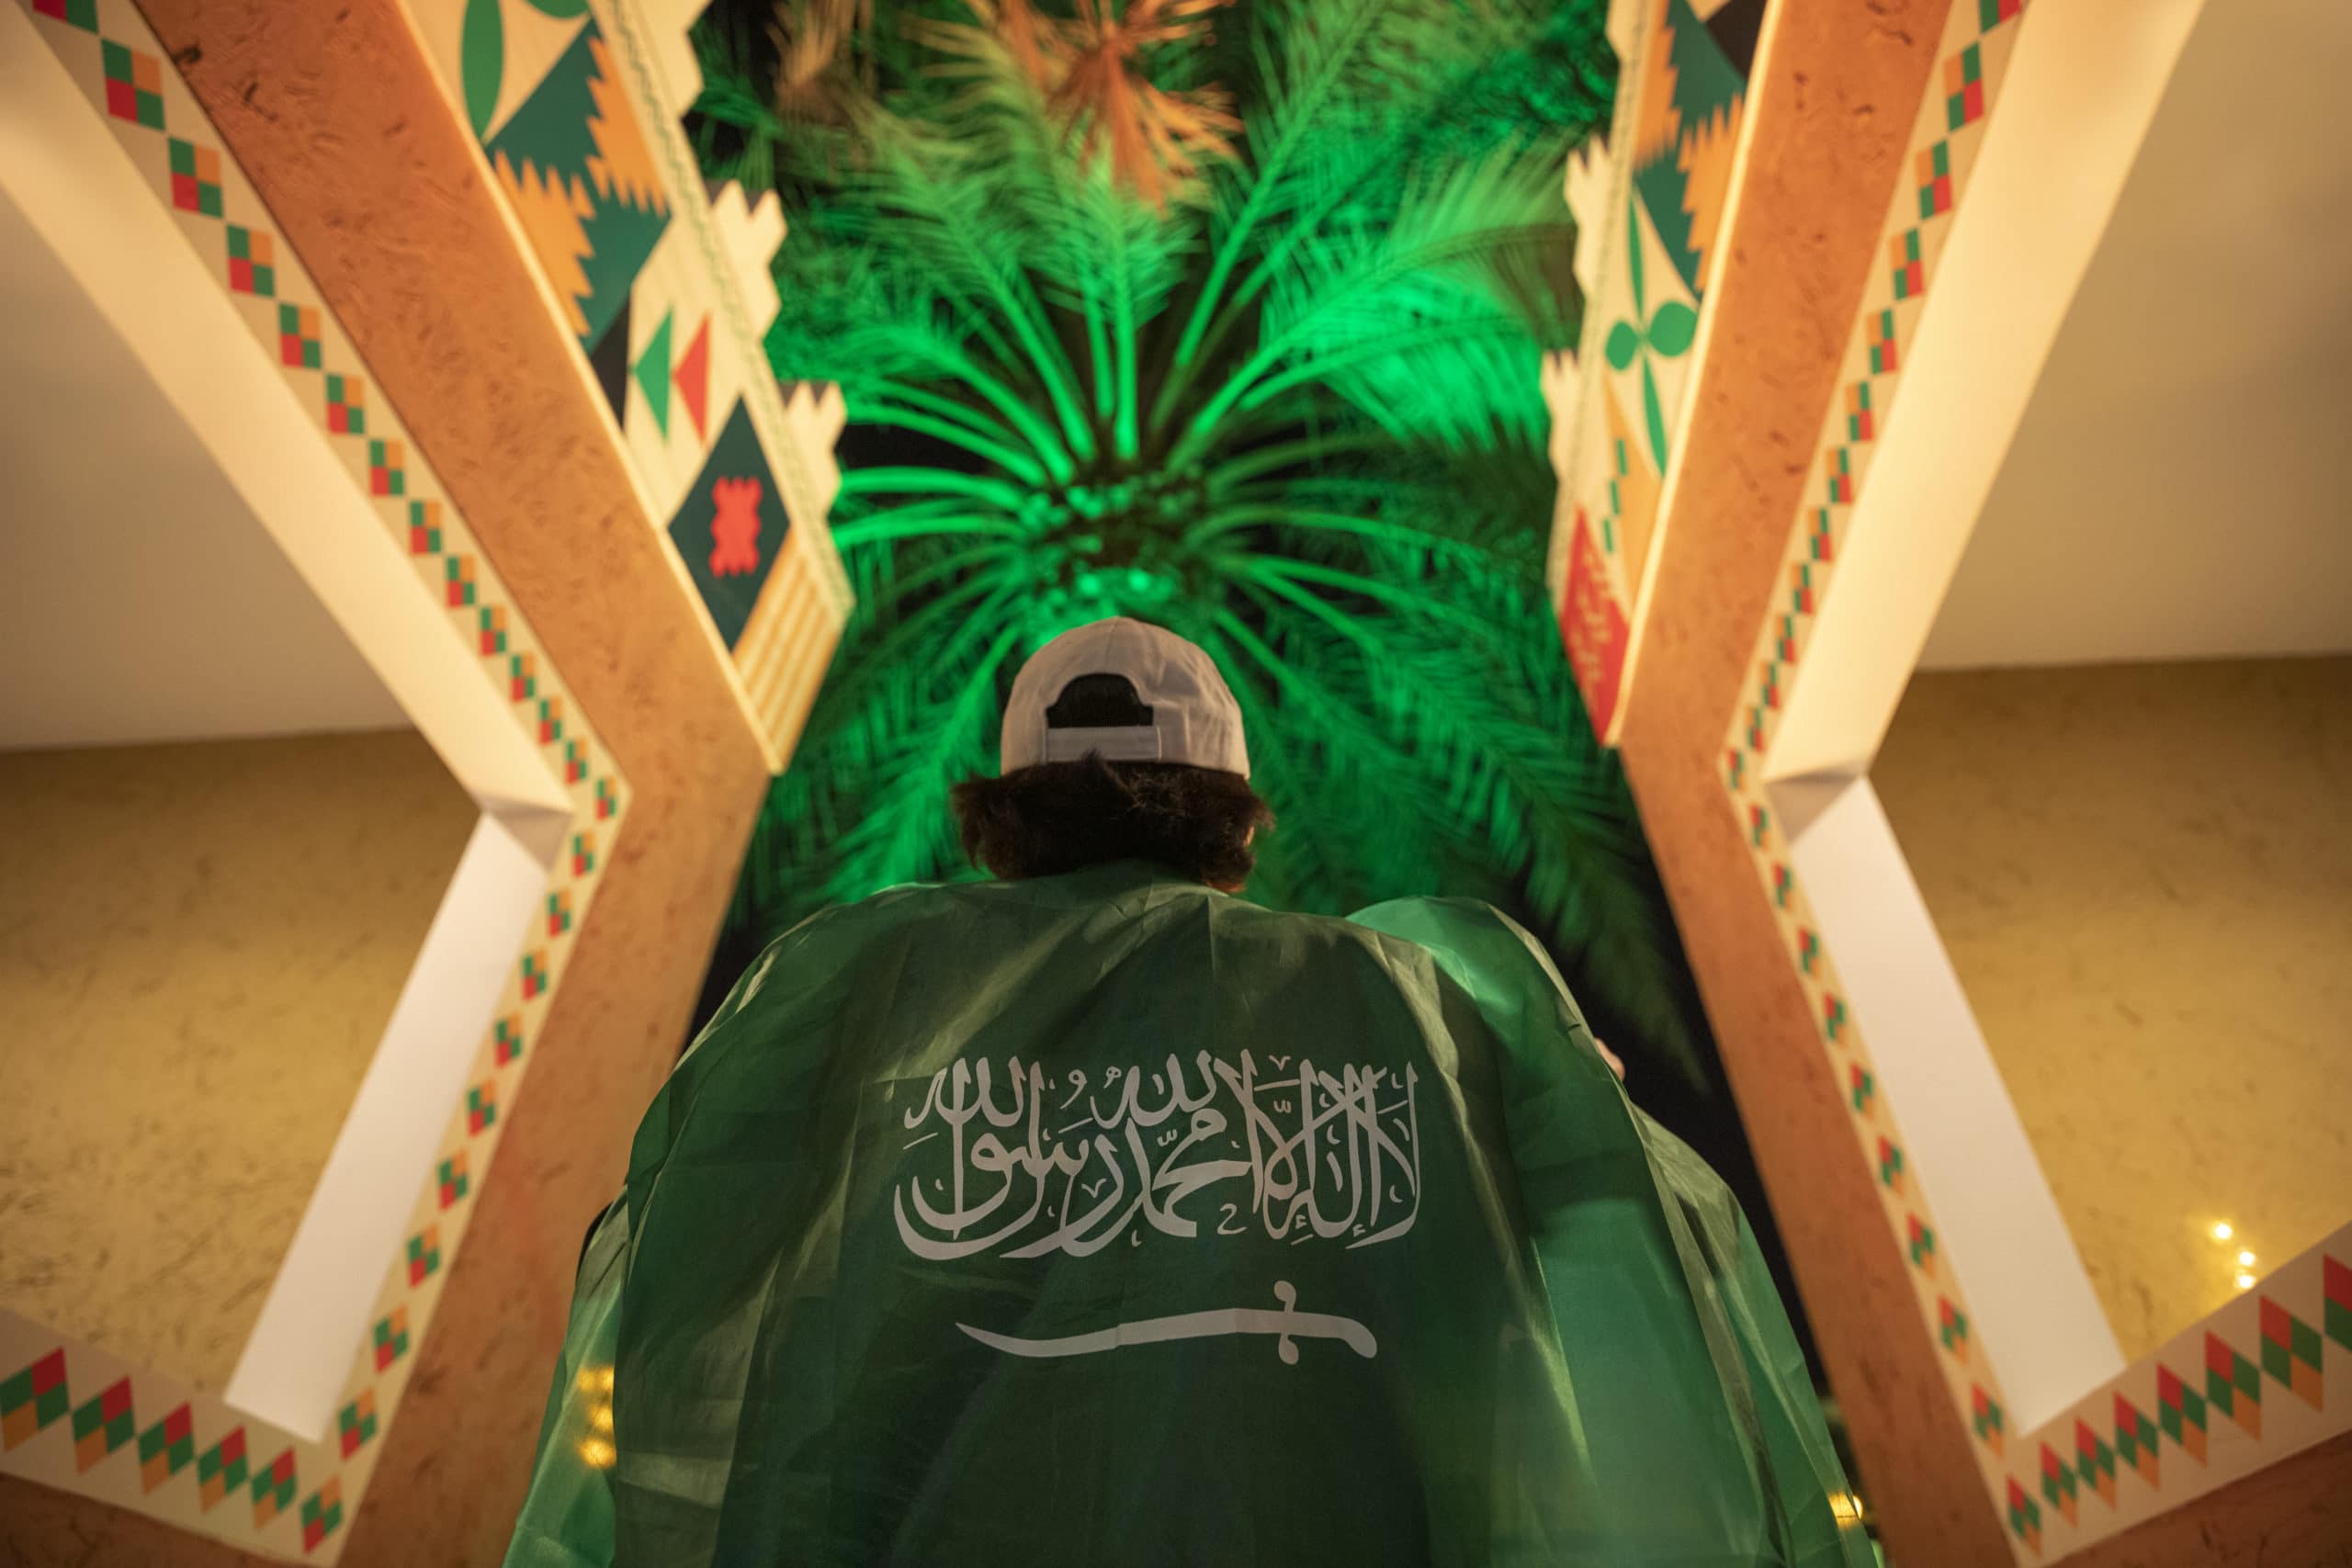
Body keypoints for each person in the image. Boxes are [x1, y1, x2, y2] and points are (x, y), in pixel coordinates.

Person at [504, 618, 1871, 1567]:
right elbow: (1623, 1232)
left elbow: (692, 1271)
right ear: (1231, 814)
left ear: (1008, 815)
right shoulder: (1420, 1005)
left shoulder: (851, 993)